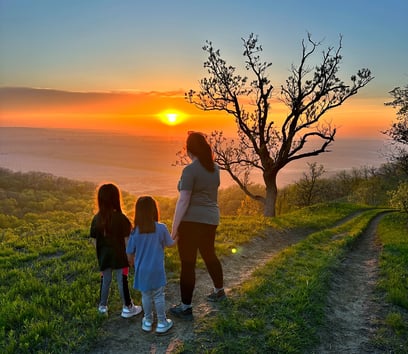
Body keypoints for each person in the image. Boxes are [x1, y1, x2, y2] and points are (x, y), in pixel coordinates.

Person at [170, 132, 226, 320]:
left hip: (191, 222)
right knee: (209, 255)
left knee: (188, 264)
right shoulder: (215, 168)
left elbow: (184, 200)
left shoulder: (190, 170)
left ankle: (186, 307)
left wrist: (174, 228)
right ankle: (219, 291)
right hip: (211, 220)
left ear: (189, 149)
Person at [90, 183, 142, 318]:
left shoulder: (96, 219)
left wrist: (100, 255)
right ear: (116, 199)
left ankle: (102, 307)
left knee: (105, 280)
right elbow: (127, 241)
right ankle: (128, 307)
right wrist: (131, 257)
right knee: (122, 280)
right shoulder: (121, 219)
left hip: (104, 256)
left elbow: (94, 240)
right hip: (121, 257)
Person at [126, 196, 175, 334]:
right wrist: (178, 236)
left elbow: (129, 252)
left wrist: (132, 263)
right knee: (158, 295)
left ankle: (147, 322)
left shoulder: (135, 231)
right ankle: (162, 322)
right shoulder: (161, 228)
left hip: (141, 269)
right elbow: (170, 244)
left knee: (146, 295)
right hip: (157, 269)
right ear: (154, 210)